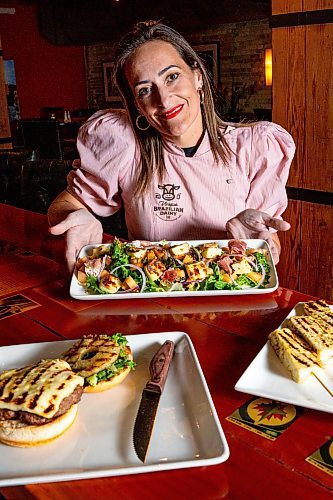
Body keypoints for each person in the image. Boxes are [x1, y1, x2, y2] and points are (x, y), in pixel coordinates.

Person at [48, 20, 295, 272]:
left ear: (198, 77)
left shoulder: (253, 147)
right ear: (137, 105)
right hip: (151, 301)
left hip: (226, 299)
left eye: (172, 77)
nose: (163, 100)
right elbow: (64, 205)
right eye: (145, 90)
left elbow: (269, 242)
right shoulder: (125, 144)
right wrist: (75, 217)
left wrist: (260, 243)